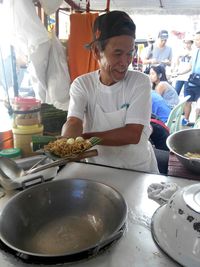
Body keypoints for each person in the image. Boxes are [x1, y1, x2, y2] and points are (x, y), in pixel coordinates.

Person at [61, 11, 159, 174]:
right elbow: (73, 121)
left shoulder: (139, 82)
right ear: (96, 51)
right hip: (98, 169)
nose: (125, 62)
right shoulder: (83, 84)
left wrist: (83, 139)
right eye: (118, 53)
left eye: (129, 53)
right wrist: (66, 143)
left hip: (138, 172)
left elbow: (132, 134)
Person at [180, 31, 200, 124]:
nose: (195, 41)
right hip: (193, 80)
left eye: (198, 39)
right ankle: (186, 120)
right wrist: (179, 73)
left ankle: (197, 125)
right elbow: (190, 66)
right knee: (187, 100)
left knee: (198, 107)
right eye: (195, 39)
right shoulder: (195, 51)